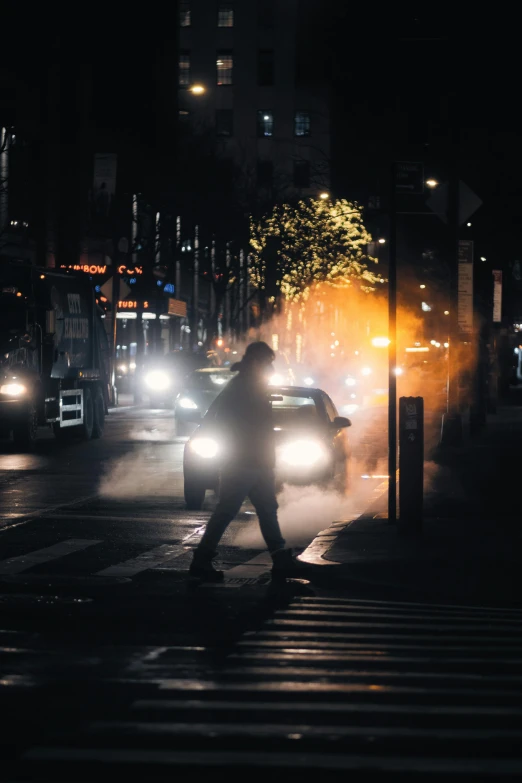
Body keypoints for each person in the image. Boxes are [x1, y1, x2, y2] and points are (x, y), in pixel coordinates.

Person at [189, 341, 310, 582]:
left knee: (266, 509)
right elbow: (229, 423)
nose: (270, 368)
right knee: (229, 511)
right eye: (267, 363)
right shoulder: (242, 388)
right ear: (256, 362)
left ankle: (279, 557)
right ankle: (202, 560)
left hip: (256, 461)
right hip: (243, 462)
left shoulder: (249, 385)